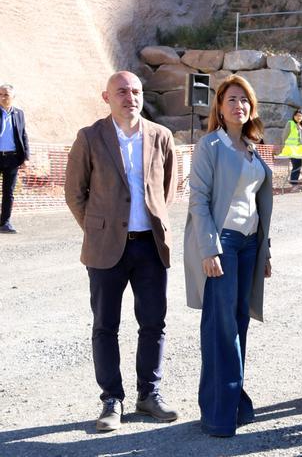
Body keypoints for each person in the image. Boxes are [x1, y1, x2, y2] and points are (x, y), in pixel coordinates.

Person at [64, 71, 179, 431]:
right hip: (105, 250)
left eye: (135, 91)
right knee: (105, 326)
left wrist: (151, 219)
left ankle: (149, 395)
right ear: (106, 97)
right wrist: (99, 229)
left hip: (150, 247)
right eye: (122, 91)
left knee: (153, 324)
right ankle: (111, 400)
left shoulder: (161, 136)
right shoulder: (89, 137)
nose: (130, 97)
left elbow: (168, 188)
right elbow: (74, 193)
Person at [184, 75, 274, 437]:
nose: (239, 105)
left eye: (245, 100)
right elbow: (198, 200)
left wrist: (266, 251)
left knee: (239, 323)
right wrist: (209, 248)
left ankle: (232, 401)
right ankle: (219, 414)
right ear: (219, 108)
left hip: (250, 245)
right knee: (220, 328)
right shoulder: (211, 145)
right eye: (232, 99)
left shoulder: (253, 148)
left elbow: (257, 205)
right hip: (222, 243)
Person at [0, 84, 29, 234]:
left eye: (6, 95)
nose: (3, 97)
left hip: (12, 158)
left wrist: (25, 157)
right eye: (0, 94)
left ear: (13, 97)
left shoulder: (19, 114)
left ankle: (5, 223)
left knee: (8, 192)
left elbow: (23, 135)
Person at [279, 109, 302, 184]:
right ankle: (293, 184)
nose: (299, 117)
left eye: (300, 116)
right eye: (297, 115)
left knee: (298, 165)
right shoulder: (290, 123)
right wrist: (283, 147)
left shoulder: (301, 126)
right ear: (294, 116)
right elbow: (284, 136)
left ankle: (294, 181)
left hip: (299, 150)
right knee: (297, 165)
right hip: (291, 149)